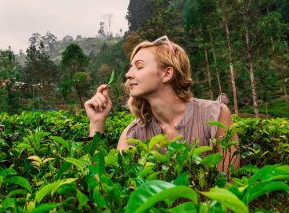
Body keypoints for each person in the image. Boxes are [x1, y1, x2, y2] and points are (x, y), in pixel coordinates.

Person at [84, 35, 240, 173]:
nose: (128, 74)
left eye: (139, 66)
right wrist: (97, 124)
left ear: (167, 73)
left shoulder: (215, 115)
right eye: (131, 67)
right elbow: (106, 184)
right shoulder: (132, 134)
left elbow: (229, 185)